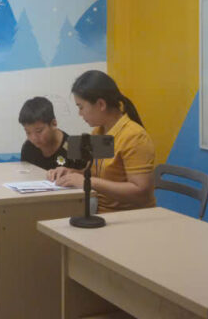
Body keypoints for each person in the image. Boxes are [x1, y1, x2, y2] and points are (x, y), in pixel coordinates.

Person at [47, 70, 156, 213]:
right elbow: (97, 174)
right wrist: (71, 173)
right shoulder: (99, 132)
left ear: (101, 104)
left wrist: (88, 182)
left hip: (126, 216)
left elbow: (141, 193)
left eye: (81, 107)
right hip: (96, 208)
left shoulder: (134, 136)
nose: (80, 114)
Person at [18, 96, 85, 171]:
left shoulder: (74, 147)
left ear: (53, 124)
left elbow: (85, 175)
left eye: (39, 131)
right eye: (28, 132)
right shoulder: (28, 147)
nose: (33, 138)